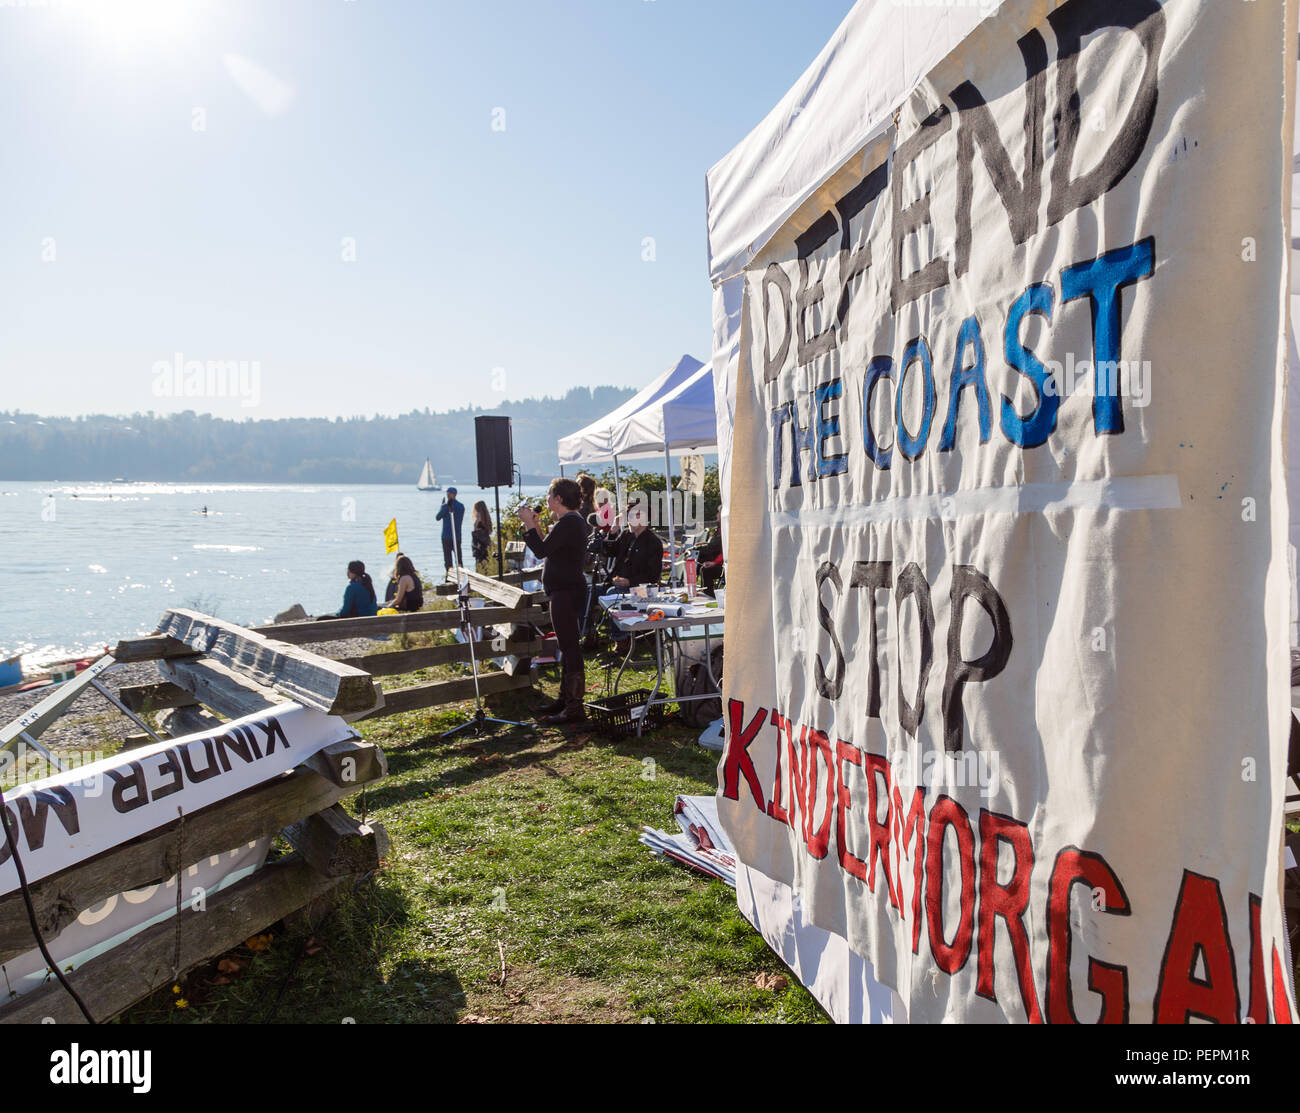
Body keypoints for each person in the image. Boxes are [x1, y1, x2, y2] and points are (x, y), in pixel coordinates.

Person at [519, 478, 588, 725]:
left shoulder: (569, 522)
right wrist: (535, 527)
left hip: (566, 591)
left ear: (559, 498)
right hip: (565, 590)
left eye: (549, 495)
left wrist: (528, 523)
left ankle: (574, 707)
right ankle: (565, 699)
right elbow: (547, 547)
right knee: (567, 646)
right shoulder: (569, 522)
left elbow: (540, 552)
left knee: (570, 647)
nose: (547, 499)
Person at [436, 487, 465, 575]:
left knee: (448, 559)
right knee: (458, 558)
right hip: (457, 536)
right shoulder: (461, 506)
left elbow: (437, 517)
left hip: (446, 536)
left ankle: (449, 577)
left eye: (448, 493)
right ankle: (461, 575)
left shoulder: (445, 507)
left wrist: (442, 506)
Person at [697, 528, 724, 597]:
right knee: (698, 561)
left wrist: (715, 562)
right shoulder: (718, 530)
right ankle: (702, 591)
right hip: (717, 560)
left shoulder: (727, 528)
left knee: (706, 570)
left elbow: (726, 551)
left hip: (724, 565)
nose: (717, 518)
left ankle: (709, 595)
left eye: (718, 517)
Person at [471, 500, 495, 575]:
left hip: (479, 544)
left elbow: (475, 530)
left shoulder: (479, 517)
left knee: (480, 564)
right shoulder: (487, 518)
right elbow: (490, 531)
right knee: (486, 563)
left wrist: (476, 522)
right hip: (486, 543)